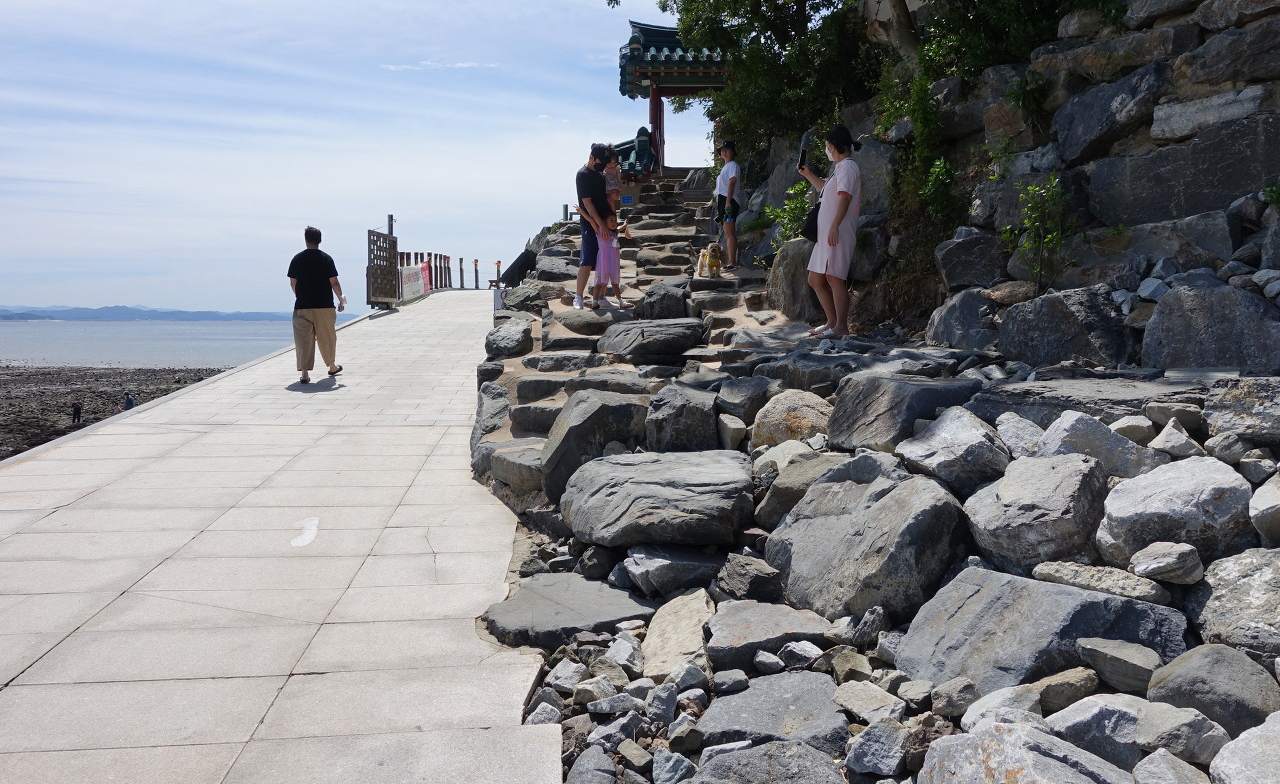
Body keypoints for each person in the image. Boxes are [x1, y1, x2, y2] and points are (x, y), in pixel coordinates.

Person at [798, 125, 862, 337]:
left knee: (834, 277)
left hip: (838, 232)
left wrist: (834, 226)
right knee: (815, 279)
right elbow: (827, 191)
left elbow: (845, 197)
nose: (827, 150)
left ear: (833, 146)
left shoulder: (848, 167)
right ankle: (831, 322)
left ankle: (841, 327)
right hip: (826, 234)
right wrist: (808, 174)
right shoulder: (840, 168)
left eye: (827, 146)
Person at [287, 226, 346, 384]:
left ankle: (305, 373)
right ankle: (332, 366)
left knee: (303, 339)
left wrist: (300, 295)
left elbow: (293, 283)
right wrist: (341, 299)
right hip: (324, 305)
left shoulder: (297, 259)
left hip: (303, 306)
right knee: (327, 337)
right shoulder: (326, 259)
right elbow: (334, 282)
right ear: (320, 240)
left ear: (305, 240)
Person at [574, 142, 614, 310]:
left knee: (607, 261)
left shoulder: (600, 174)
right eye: (600, 162)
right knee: (587, 261)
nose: (603, 166)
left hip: (605, 222)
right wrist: (600, 225)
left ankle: (601, 297)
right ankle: (578, 297)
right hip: (590, 224)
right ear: (592, 157)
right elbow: (587, 203)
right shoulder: (583, 175)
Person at [593, 214, 632, 309]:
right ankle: (595, 302)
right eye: (611, 220)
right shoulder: (600, 231)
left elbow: (621, 227)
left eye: (615, 221)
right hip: (603, 261)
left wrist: (625, 224)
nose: (614, 223)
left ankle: (621, 302)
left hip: (613, 261)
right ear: (604, 222)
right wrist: (582, 212)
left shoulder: (614, 232)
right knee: (599, 282)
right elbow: (591, 221)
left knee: (615, 283)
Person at [715, 141, 742, 271]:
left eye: (727, 149)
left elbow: (732, 183)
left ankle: (732, 262)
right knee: (726, 232)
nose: (724, 152)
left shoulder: (732, 165)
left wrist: (728, 202)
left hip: (729, 200)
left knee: (730, 232)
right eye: (722, 150)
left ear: (732, 152)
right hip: (723, 199)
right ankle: (731, 261)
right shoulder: (725, 167)